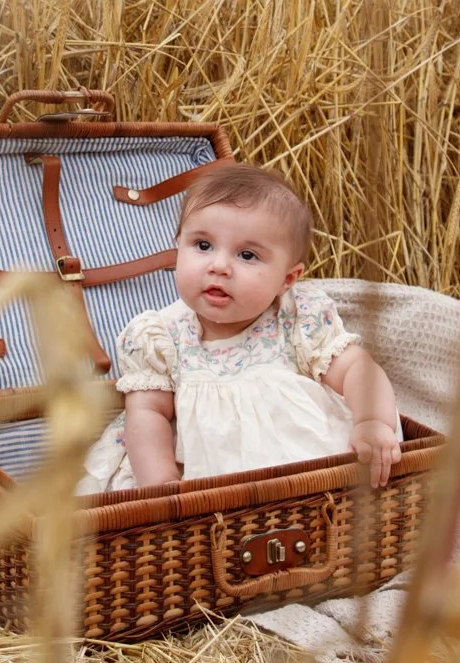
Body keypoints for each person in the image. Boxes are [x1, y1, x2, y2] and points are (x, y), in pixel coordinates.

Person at [78, 163, 402, 495]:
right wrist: (162, 486)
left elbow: (357, 368)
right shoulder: (160, 337)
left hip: (308, 474)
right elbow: (147, 413)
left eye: (247, 255)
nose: (219, 266)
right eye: (203, 245)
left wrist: (372, 421)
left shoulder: (298, 318)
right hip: (202, 490)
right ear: (178, 248)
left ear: (287, 279)